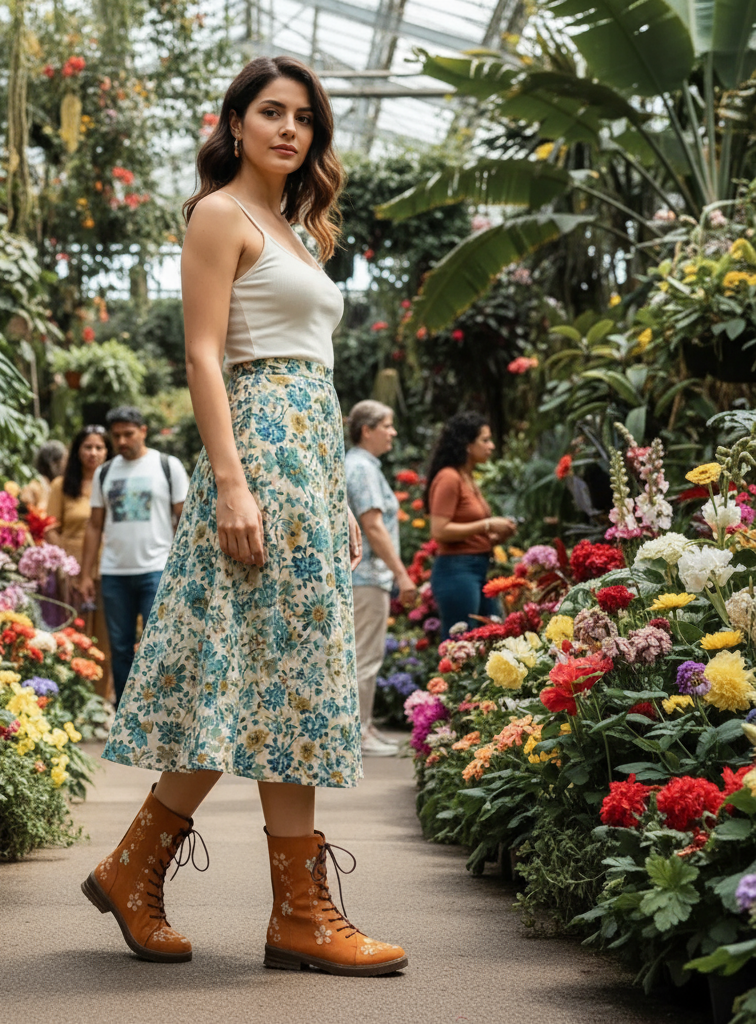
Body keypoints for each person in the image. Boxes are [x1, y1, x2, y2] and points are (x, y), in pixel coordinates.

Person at [81, 56, 407, 978]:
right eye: (270, 111)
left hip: (306, 462)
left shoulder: (299, 227)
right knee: (253, 675)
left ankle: (144, 872)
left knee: (283, 678)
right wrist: (230, 482)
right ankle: (288, 911)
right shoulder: (221, 215)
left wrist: (336, 497)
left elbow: (316, 370)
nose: (289, 129)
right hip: (257, 452)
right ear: (234, 121)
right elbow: (203, 356)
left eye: (304, 116)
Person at [75, 406, 189, 707]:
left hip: (157, 570)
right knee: (120, 647)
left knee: (159, 644)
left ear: (143, 431)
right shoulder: (105, 472)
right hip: (115, 573)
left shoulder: (168, 466)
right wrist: (86, 574)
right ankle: (126, 713)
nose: (122, 441)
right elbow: (95, 525)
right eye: (117, 436)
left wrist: (184, 569)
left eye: (128, 434)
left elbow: (186, 520)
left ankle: (161, 709)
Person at [345, 400, 416, 757]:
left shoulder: (362, 466)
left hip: (366, 577)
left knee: (364, 654)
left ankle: (365, 726)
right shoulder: (361, 468)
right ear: (366, 430)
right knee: (364, 655)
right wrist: (403, 576)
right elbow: (372, 525)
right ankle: (357, 733)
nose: (393, 432)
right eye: (387, 425)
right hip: (367, 575)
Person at [425, 412, 516, 639]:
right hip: (457, 570)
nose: (491, 446)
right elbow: (440, 530)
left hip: (479, 566)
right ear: (467, 445)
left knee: (491, 638)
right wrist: (486, 525)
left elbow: (469, 532)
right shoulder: (449, 478)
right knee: (461, 644)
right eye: (485, 440)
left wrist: (497, 536)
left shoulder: (467, 477)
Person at [45, 425, 114, 699]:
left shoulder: (114, 483)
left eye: (99, 447)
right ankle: (70, 698)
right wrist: (68, 567)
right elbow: (50, 527)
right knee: (72, 633)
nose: (93, 453)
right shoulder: (61, 485)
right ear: (77, 451)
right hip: (72, 572)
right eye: (88, 447)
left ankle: (100, 699)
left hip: (110, 568)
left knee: (107, 637)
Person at [20, 440, 67, 510]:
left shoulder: (57, 487)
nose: (67, 465)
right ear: (53, 463)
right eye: (65, 460)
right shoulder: (35, 487)